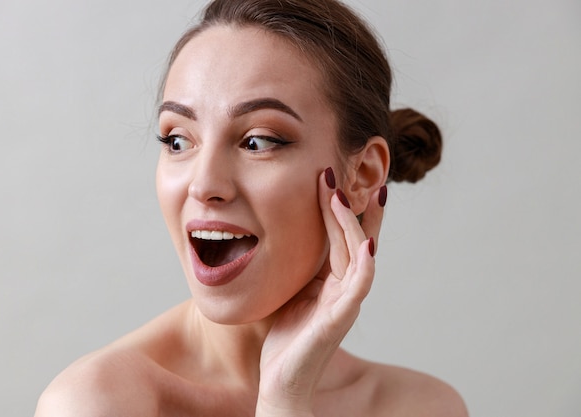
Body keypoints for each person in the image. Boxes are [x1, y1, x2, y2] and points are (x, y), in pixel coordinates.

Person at [35, 0, 468, 415]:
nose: (204, 185)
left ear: (363, 175)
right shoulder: (97, 404)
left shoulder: (423, 409)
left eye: (257, 141)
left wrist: (286, 401)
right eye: (178, 140)